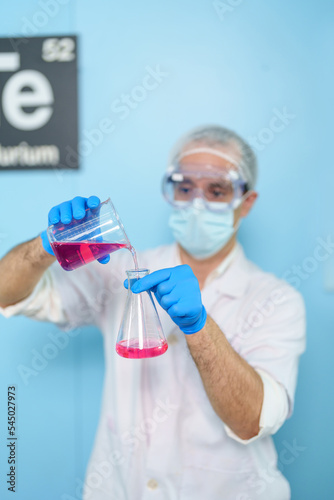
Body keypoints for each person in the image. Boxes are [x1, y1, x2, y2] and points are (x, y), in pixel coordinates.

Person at [0, 126, 306, 500]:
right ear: (170, 192)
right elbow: (5, 293)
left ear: (246, 202)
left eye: (216, 190)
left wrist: (198, 325)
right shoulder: (123, 269)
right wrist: (47, 244)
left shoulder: (277, 299)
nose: (197, 203)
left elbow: (251, 420)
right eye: (184, 187)